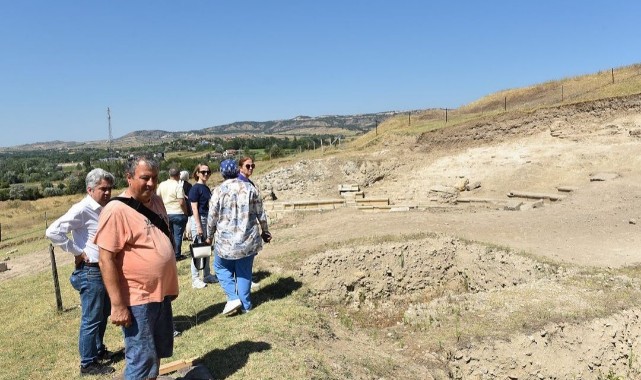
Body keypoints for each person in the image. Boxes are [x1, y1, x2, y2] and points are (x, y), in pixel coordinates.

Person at [94, 156, 179, 380]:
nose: (151, 183)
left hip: (160, 295)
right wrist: (118, 305)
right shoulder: (116, 210)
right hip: (137, 298)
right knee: (141, 358)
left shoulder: (157, 201)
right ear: (129, 177)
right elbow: (106, 259)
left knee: (156, 353)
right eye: (145, 178)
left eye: (154, 178)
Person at [45, 168, 116, 376]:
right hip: (91, 270)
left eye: (110, 189)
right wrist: (77, 251)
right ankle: (87, 363)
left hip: (103, 269)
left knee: (103, 314)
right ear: (90, 189)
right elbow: (52, 231)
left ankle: (98, 350)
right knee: (91, 318)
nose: (107, 193)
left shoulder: (105, 207)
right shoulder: (82, 209)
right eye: (103, 189)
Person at [206, 159, 272, 316]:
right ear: (237, 170)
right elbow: (260, 212)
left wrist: (209, 235)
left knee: (221, 268)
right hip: (247, 239)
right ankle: (246, 306)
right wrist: (265, 231)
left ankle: (233, 297)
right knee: (244, 272)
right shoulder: (250, 188)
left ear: (222, 173)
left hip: (225, 242)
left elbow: (212, 216)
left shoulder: (218, 191)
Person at [187, 163, 219, 289]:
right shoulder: (195, 188)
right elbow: (194, 208)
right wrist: (199, 226)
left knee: (206, 248)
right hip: (199, 219)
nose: (206, 174)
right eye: (203, 172)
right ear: (197, 173)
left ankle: (206, 274)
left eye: (208, 172)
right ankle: (195, 279)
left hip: (206, 219)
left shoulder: (205, 188)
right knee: (198, 250)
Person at [238, 156, 262, 290]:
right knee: (243, 256)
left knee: (249, 255)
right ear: (240, 167)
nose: (251, 168)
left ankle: (246, 279)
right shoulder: (239, 184)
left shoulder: (249, 183)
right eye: (248, 166)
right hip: (242, 226)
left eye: (253, 166)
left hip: (250, 226)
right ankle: (244, 282)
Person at [156, 168, 190, 261]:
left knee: (169, 235)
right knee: (178, 235)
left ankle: (169, 253)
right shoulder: (178, 185)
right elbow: (181, 202)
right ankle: (177, 254)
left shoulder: (162, 185)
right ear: (178, 175)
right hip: (178, 212)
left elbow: (157, 197)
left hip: (166, 213)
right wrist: (185, 212)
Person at [179, 170, 193, 241]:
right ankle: (189, 235)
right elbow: (190, 196)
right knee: (188, 220)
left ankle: (183, 235)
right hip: (187, 204)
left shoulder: (178, 185)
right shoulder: (188, 185)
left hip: (179, 204)